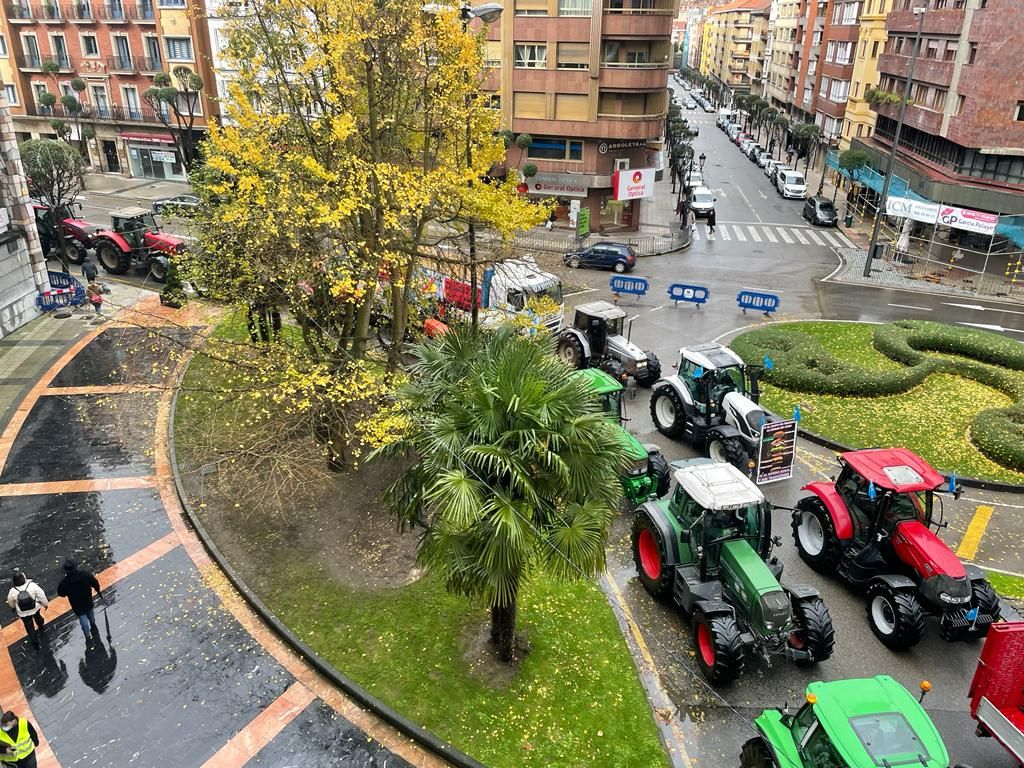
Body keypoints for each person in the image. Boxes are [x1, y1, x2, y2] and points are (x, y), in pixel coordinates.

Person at [57, 560, 102, 642]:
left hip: (76, 603)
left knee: (82, 617)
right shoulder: (85, 575)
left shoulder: (64, 582)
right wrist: (97, 589)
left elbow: (61, 593)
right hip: (87, 599)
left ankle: (87, 635)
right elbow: (94, 582)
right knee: (90, 613)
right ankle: (93, 624)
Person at [6, 573, 47, 650]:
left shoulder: (12, 591)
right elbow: (41, 595)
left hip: (23, 612)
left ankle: (35, 642)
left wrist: (14, 607)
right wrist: (45, 604)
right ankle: (40, 626)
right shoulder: (32, 585)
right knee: (38, 616)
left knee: (29, 626)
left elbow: (11, 603)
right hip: (35, 608)